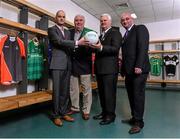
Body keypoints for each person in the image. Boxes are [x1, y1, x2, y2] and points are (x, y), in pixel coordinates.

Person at [48, 10, 85, 127]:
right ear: (56, 18)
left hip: (67, 64)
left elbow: (69, 46)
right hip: (57, 64)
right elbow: (59, 42)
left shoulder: (68, 32)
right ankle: (56, 115)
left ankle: (63, 112)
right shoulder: (52, 30)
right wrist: (78, 42)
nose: (62, 18)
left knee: (65, 91)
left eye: (63, 17)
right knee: (57, 91)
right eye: (59, 16)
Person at [120, 12, 150, 134]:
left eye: (127, 19)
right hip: (129, 71)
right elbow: (126, 54)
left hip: (139, 70)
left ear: (132, 19)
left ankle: (139, 122)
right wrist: (122, 69)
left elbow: (143, 47)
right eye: (122, 20)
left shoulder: (140, 29)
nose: (125, 21)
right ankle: (134, 117)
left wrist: (138, 65)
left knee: (137, 96)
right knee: (131, 95)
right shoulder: (125, 35)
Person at [90, 13, 122, 125]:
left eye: (105, 20)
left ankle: (110, 115)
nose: (103, 22)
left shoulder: (115, 33)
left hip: (110, 70)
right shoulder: (100, 36)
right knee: (102, 93)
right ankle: (104, 112)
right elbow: (98, 50)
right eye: (101, 21)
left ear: (110, 22)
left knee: (109, 94)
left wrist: (101, 47)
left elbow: (115, 49)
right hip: (100, 69)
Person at [68, 15, 93, 120]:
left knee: (86, 89)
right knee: (73, 88)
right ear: (74, 22)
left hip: (84, 65)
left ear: (84, 21)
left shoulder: (89, 33)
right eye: (76, 20)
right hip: (72, 64)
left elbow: (92, 48)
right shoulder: (69, 32)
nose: (78, 22)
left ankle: (86, 110)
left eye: (80, 20)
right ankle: (75, 107)